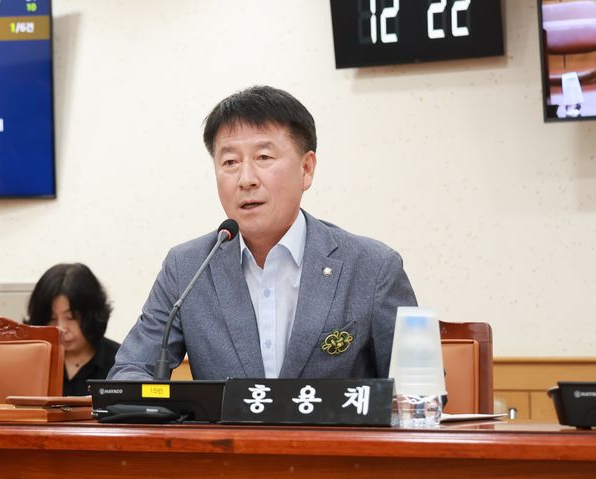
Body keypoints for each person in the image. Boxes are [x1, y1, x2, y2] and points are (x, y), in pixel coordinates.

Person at [109, 85, 417, 381]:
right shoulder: (187, 268)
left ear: (306, 169)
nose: (246, 179)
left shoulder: (372, 268)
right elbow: (130, 370)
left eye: (264, 158)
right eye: (230, 162)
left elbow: (415, 387)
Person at [26, 263, 119, 396]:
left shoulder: (119, 362)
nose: (60, 328)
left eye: (70, 318)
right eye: (52, 318)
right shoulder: (29, 362)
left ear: (92, 315)